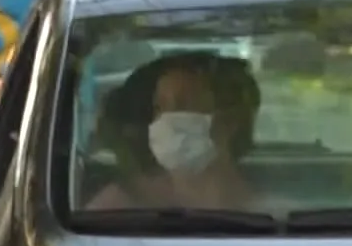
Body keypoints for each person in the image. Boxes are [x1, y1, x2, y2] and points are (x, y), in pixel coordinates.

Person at [84, 52, 256, 210]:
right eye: (159, 107)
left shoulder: (267, 210)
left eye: (185, 105)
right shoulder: (117, 207)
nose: (166, 119)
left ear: (230, 120)